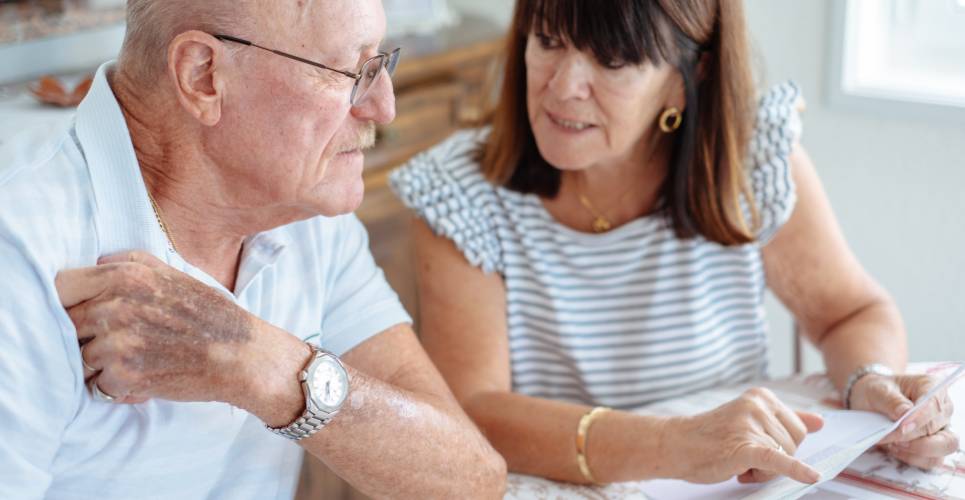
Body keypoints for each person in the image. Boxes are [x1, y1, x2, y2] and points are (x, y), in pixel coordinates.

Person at [390, 0, 957, 486]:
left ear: (690, 78)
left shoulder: (750, 158)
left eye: (612, 60)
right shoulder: (459, 194)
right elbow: (475, 414)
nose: (562, 87)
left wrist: (871, 382)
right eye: (547, 40)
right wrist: (670, 445)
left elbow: (848, 313)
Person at [0, 0, 507, 498]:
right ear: (203, 76)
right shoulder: (19, 247)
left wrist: (252, 360)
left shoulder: (305, 210)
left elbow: (467, 480)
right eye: (347, 71)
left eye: (377, 63)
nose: (382, 106)